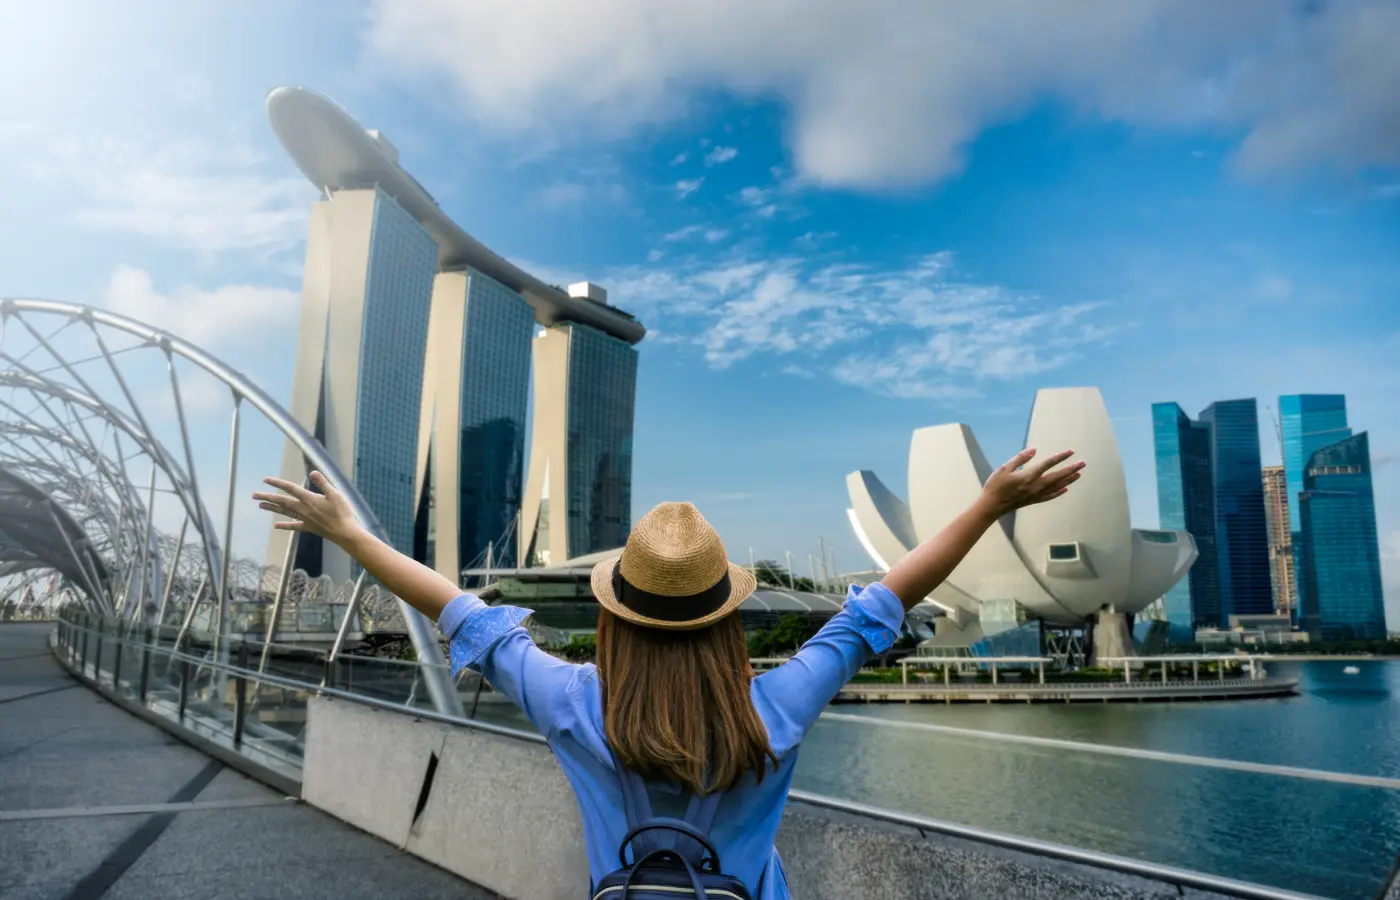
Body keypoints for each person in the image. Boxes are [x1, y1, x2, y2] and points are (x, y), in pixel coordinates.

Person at [252, 446, 1082, 898]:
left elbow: (457, 610)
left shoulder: (575, 706)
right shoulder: (775, 710)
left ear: (616, 618)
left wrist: (355, 537)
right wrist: (989, 507)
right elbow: (881, 606)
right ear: (725, 622)